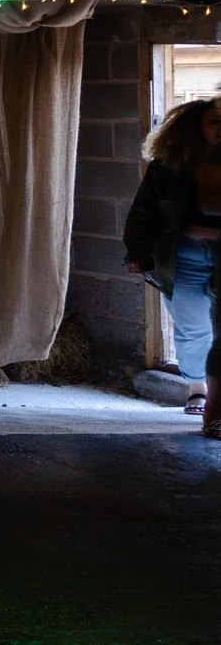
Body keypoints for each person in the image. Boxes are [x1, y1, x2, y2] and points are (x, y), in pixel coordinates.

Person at [126, 98, 221, 439]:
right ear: (196, 125)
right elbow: (144, 209)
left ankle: (217, 406)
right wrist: (137, 252)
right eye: (214, 120)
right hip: (185, 256)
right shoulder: (171, 165)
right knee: (192, 328)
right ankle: (198, 388)